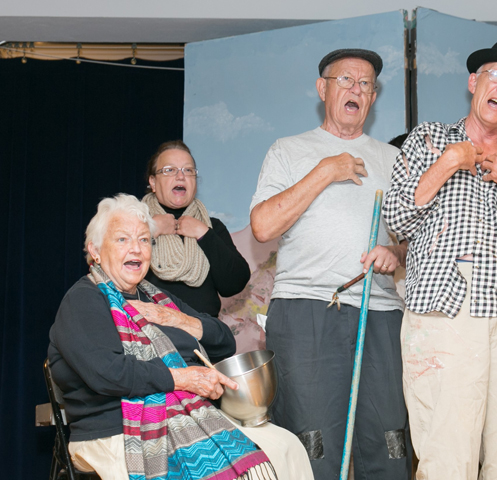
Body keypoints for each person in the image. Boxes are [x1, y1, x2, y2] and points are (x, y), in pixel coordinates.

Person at [383, 36, 497, 480]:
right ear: (473, 82)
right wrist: (447, 163)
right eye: (496, 75)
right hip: (444, 313)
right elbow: (398, 218)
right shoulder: (428, 139)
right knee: (445, 457)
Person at [48, 194, 312, 480]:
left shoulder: (158, 298)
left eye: (144, 240)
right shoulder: (83, 300)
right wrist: (184, 378)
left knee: (288, 447)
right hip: (118, 429)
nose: (136, 249)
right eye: (122, 240)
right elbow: (108, 374)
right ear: (95, 250)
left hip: (188, 416)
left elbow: (224, 341)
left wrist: (178, 319)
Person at [249, 48, 411, 479]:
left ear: (373, 98)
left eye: (366, 84)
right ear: (323, 88)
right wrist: (324, 172)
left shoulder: (393, 161)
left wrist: (395, 254)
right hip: (306, 311)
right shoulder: (288, 151)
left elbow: (412, 243)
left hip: (379, 314)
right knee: (312, 442)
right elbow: (263, 226)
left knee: (390, 441)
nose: (357, 89)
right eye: (346, 81)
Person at [142, 140, 251, 317]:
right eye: (170, 170)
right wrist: (149, 230)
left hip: (203, 337)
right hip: (148, 336)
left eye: (188, 170)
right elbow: (111, 271)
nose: (180, 176)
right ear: (153, 182)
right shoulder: (133, 224)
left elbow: (235, 283)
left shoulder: (212, 227)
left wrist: (204, 234)